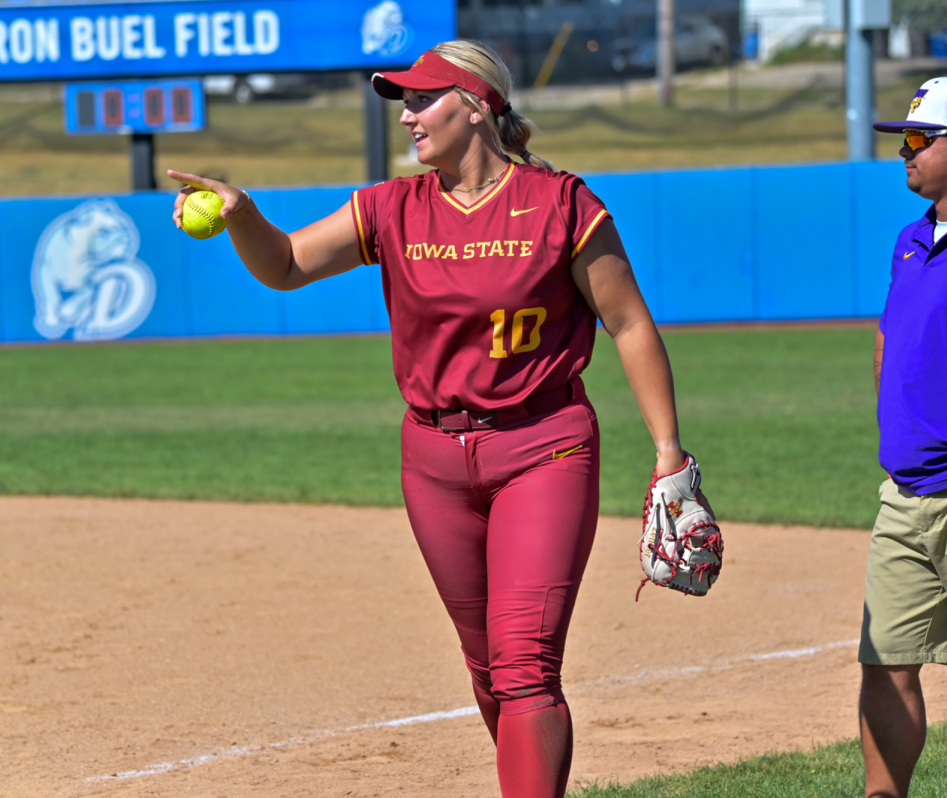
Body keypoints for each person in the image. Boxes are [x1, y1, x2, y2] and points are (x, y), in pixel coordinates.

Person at [168, 40, 697, 797]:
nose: (409, 115)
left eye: (423, 99)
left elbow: (630, 323)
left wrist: (669, 453)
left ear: (477, 106)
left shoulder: (561, 204)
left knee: (524, 668)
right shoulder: (392, 207)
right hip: (435, 463)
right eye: (405, 102)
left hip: (542, 448)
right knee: (488, 668)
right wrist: (245, 215)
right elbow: (284, 264)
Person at [860, 77, 947, 798]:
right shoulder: (910, 238)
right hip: (903, 492)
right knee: (886, 662)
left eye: (920, 138)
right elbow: (887, 339)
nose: (906, 150)